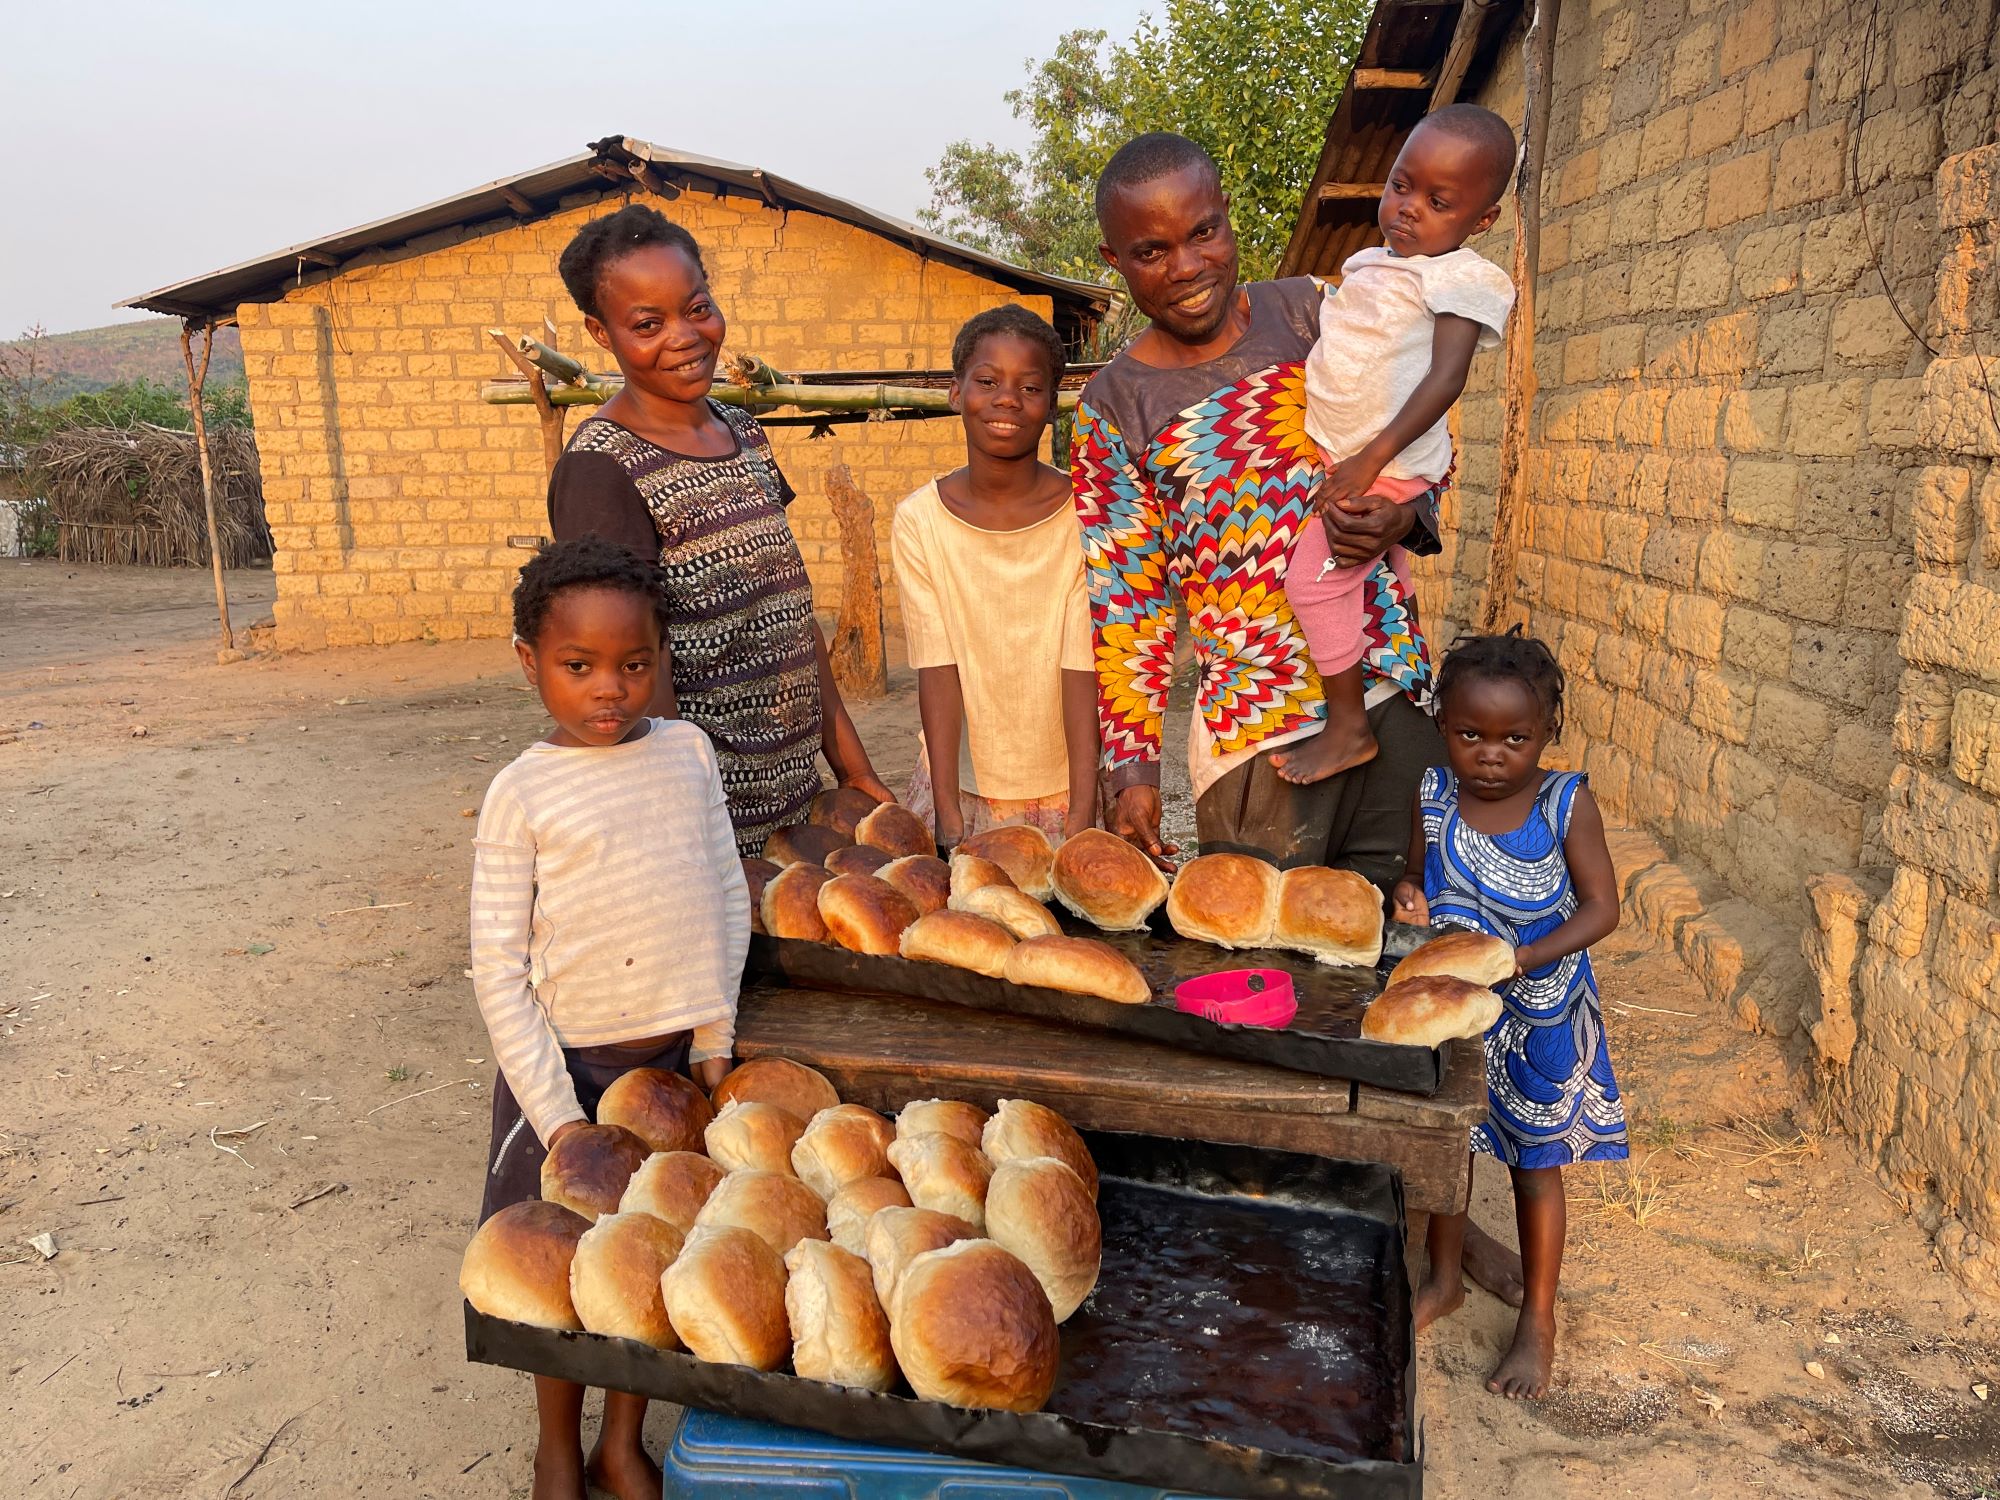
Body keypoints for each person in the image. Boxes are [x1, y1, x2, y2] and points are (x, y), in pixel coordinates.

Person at [1073, 130, 1439, 884]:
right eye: (1151, 251)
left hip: (1388, 691)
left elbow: (1419, 434)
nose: (1187, 268)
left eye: (1203, 233)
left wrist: (1403, 517)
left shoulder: (1312, 316)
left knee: (1417, 953)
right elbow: (1126, 602)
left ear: (1227, 217)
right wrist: (1133, 768)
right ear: (1114, 261)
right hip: (1255, 738)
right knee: (1270, 976)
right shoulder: (1114, 407)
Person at [470, 538, 749, 1499]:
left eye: (635, 665)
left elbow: (723, 890)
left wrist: (713, 1040)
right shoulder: (522, 792)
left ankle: (621, 1441)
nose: (611, 691)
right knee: (556, 1271)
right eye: (577, 667)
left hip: (670, 1072)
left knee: (645, 1267)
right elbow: (499, 970)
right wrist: (559, 1121)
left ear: (661, 657)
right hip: (565, 1077)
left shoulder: (687, 753)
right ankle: (558, 1443)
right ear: (527, 661)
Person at [544, 203, 892, 855]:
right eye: (648, 323)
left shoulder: (743, 432)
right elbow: (635, 673)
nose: (685, 336)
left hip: (796, 807)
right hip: (706, 825)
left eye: (697, 308)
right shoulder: (602, 469)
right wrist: (691, 829)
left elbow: (791, 615)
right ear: (600, 331)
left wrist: (853, 769)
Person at [1390, 630, 1628, 1400]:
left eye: (1514, 738)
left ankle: (1539, 1321)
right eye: (1470, 735)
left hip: (1544, 1015)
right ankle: (1443, 1279)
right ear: (1442, 727)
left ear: (1547, 733)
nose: (1490, 754)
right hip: (1464, 1017)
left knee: (1534, 1166)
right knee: (1450, 1149)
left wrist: (1527, 957)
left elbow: (1603, 908)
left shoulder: (1565, 803)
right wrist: (1409, 897)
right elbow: (1415, 876)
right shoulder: (1430, 797)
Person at [1273, 105, 1518, 785]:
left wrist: (1370, 461)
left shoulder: (1462, 277)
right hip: (1345, 457)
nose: (1408, 210)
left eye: (1439, 202)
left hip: (1383, 466)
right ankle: (1395, 682)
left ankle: (1349, 726)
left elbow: (1445, 381)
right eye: (1401, 186)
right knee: (1376, 584)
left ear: (1481, 219)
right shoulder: (1374, 264)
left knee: (1312, 584)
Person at [891, 305, 1098, 850]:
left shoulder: (1084, 515)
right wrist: (947, 813)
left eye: (1030, 388)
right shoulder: (920, 520)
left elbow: (1081, 664)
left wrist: (1082, 810)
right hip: (957, 785)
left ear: (1053, 407)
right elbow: (936, 665)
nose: (1007, 399)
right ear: (957, 392)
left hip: (1063, 790)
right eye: (987, 381)